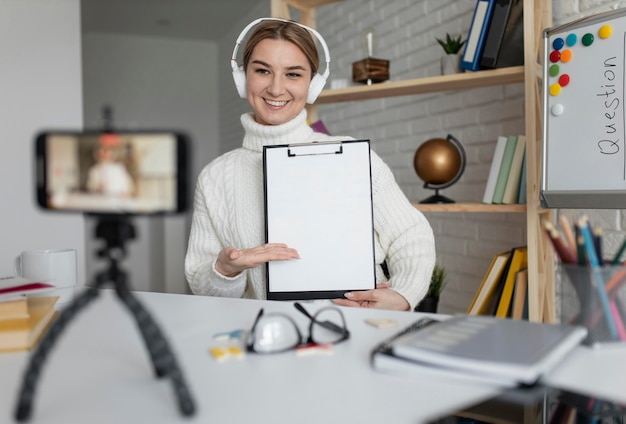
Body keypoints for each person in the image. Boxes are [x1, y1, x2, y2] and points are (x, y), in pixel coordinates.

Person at [184, 18, 435, 311]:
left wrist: (403, 296)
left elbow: (411, 234)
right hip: (269, 339)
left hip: (356, 330)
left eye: (293, 74)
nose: (276, 89)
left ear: (313, 85)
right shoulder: (215, 177)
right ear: (243, 78)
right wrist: (226, 269)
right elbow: (205, 291)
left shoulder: (352, 158)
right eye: (263, 70)